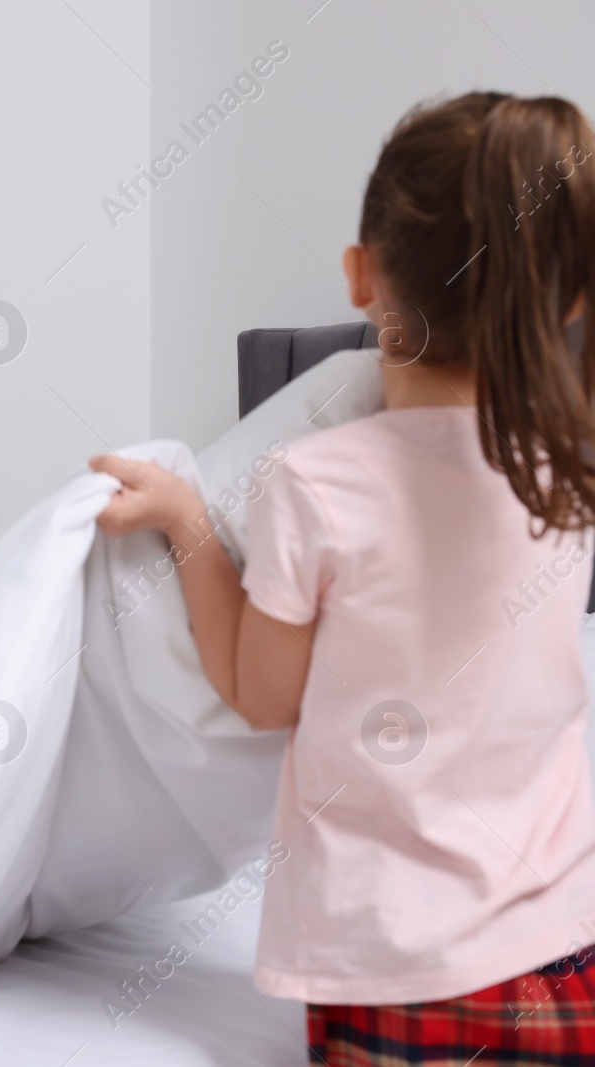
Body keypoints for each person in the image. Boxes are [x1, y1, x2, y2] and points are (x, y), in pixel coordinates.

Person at [89, 92, 595, 1063]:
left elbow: (261, 694)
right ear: (567, 296)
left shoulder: (315, 482)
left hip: (391, 974)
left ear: (361, 275)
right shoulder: (562, 478)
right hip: (563, 962)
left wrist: (188, 518)